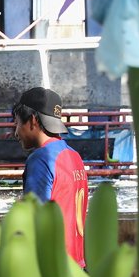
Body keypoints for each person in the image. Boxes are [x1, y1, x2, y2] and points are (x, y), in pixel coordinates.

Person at [12, 87, 89, 266]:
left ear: (32, 121)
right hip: (77, 266)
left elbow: (36, 220)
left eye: (17, 123)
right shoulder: (74, 156)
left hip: (53, 270)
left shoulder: (40, 159)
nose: (16, 133)